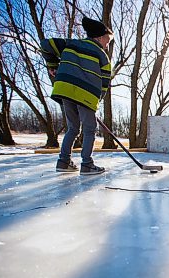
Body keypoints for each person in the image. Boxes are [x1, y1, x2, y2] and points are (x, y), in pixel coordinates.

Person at [40, 17, 113, 175]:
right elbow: (104, 83)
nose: (107, 46)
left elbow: (45, 45)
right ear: (99, 37)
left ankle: (63, 161)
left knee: (73, 128)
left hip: (65, 91)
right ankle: (87, 164)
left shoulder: (70, 44)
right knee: (89, 129)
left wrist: (52, 64)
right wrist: (96, 100)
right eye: (107, 41)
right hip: (87, 94)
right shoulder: (102, 56)